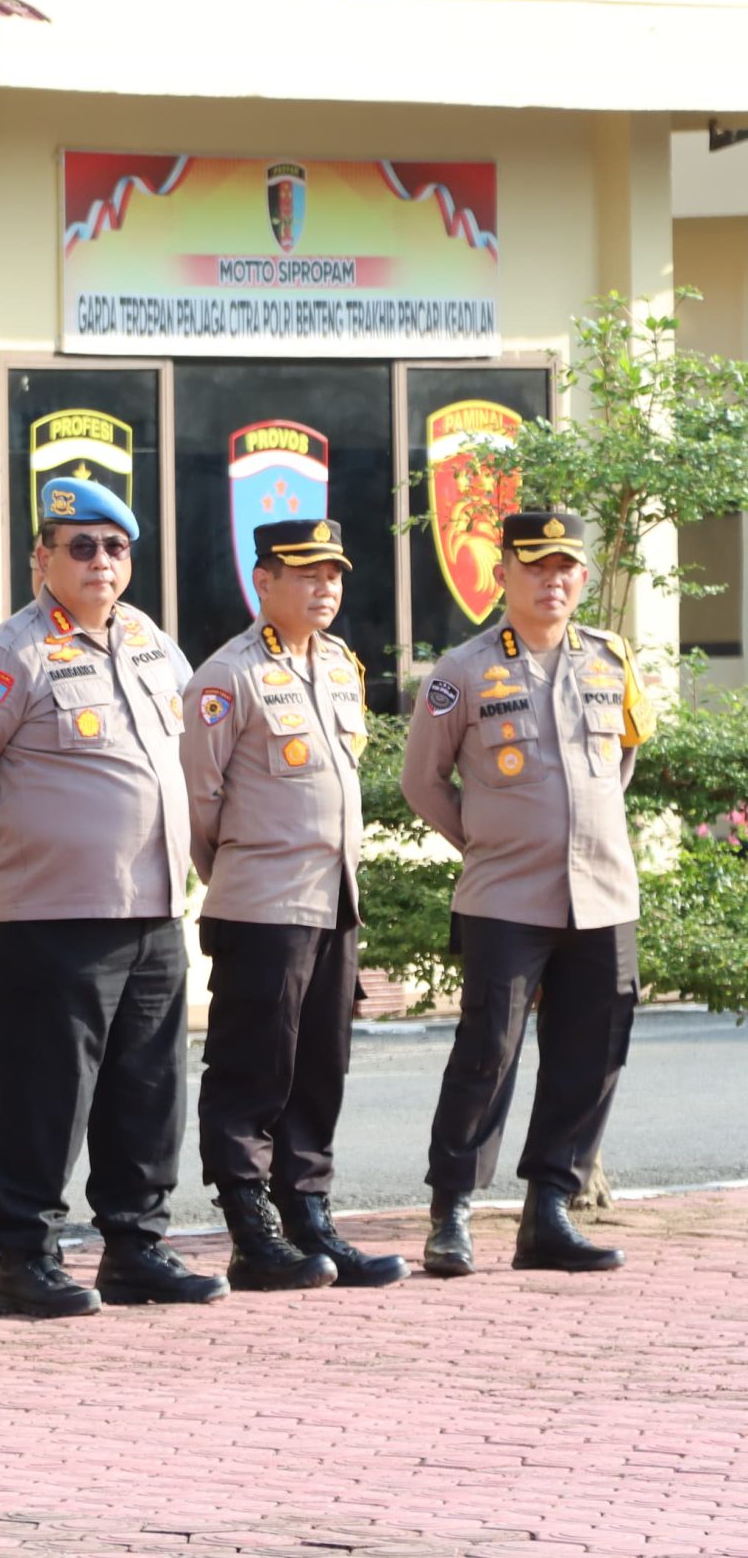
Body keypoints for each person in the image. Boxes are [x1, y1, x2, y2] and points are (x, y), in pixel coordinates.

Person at [0, 476, 229, 1318]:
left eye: (115, 547)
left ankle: (135, 1245)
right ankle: (25, 1257)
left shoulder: (150, 641)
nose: (100, 561)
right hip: (50, 914)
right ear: (42, 557)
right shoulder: (9, 654)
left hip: (152, 906)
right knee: (45, 1094)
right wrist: (9, 858)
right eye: (80, 546)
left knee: (147, 1088)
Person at [401, 509, 651, 1277]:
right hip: (504, 897)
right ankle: (451, 1210)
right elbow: (422, 782)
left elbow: (623, 761)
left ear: (583, 576)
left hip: (602, 893)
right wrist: (487, 840)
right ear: (502, 571)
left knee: (593, 1051)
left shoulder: (610, 658)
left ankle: (549, 1210)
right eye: (535, 565)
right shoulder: (462, 671)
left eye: (565, 566)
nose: (552, 580)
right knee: (488, 1051)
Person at [181, 520, 407, 1292]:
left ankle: (308, 1214)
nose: (325, 587)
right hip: (263, 904)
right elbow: (199, 803)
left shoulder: (340, 664)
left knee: (319, 1067)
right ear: (263, 580)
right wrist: (240, 872)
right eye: (307, 573)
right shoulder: (228, 675)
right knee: (252, 1069)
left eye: (333, 573)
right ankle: (251, 1230)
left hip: (333, 899)